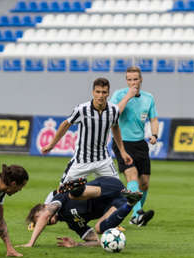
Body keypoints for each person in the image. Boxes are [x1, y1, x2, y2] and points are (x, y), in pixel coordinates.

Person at [41, 77, 133, 186]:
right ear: (93, 92)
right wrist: (51, 145)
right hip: (82, 160)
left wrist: (122, 151)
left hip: (103, 160)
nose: (100, 95)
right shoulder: (82, 109)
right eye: (98, 92)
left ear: (108, 93)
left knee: (116, 189)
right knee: (63, 192)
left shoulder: (114, 110)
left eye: (104, 92)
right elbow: (66, 124)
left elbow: (115, 127)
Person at [20, 176, 142, 248]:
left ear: (45, 206)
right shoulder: (72, 223)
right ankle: (130, 203)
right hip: (117, 201)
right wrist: (76, 244)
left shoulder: (58, 199)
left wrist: (31, 242)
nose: (46, 222)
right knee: (100, 228)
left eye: (39, 217)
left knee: (72, 195)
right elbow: (95, 241)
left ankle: (77, 187)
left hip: (107, 186)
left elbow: (47, 215)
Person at [110, 66, 159, 227]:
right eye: (129, 79)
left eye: (135, 79)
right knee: (132, 177)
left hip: (140, 144)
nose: (133, 82)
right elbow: (114, 113)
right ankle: (138, 213)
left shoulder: (148, 98)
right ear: (126, 80)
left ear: (141, 79)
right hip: (122, 143)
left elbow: (153, 119)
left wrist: (154, 134)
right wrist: (128, 97)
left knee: (144, 182)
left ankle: (137, 216)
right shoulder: (119, 95)